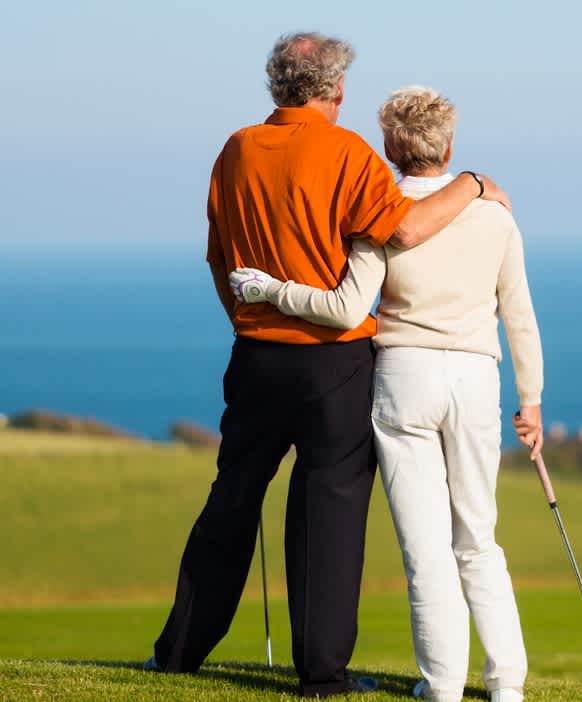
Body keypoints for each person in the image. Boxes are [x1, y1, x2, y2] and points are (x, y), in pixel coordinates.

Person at [146, 33, 510, 698]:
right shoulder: (349, 153)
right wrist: (474, 184)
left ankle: (177, 654)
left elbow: (219, 258)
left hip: (255, 355)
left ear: (275, 86)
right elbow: (403, 230)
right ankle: (321, 676)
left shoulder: (235, 150)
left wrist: (248, 324)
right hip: (334, 364)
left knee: (231, 501)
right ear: (336, 91)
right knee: (329, 517)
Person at [229, 85, 543, 702]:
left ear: (390, 149)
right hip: (476, 381)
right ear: (448, 144)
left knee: (426, 546)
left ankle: (444, 685)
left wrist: (268, 290)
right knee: (478, 537)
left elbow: (345, 310)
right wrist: (530, 402)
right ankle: (507, 684)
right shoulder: (496, 215)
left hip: (403, 381)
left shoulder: (384, 214)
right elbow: (520, 314)